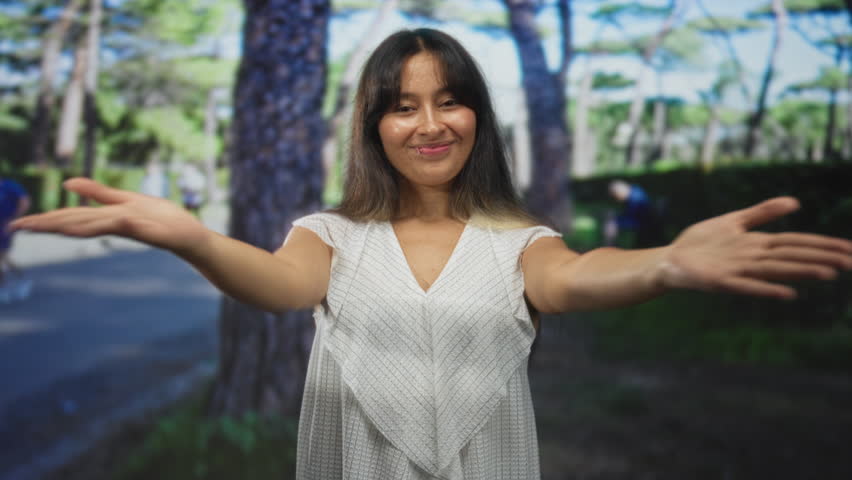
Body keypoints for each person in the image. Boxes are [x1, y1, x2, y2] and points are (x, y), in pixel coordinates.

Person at [9, 29, 852, 479]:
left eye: (449, 101)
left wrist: (663, 263)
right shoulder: (330, 234)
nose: (429, 124)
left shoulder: (518, 241)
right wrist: (194, 237)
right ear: (374, 125)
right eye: (403, 106)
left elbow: (574, 277)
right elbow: (280, 284)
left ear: (477, 115)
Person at [0, 175, 31, 302]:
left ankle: (3, 288)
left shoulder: (9, 186)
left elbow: (25, 201)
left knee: (1, 257)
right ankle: (22, 278)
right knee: (3, 258)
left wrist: (14, 219)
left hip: (6, 226)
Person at [608, 179, 665, 248]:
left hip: (648, 231)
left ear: (619, 192)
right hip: (646, 228)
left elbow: (638, 221)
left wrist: (617, 223)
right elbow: (629, 215)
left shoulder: (636, 199)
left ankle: (610, 247)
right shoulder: (635, 192)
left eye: (616, 197)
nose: (617, 200)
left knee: (612, 226)